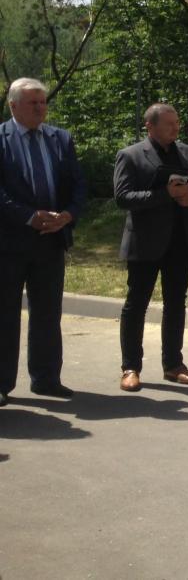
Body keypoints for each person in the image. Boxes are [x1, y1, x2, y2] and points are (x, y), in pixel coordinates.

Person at [0, 78, 87, 405]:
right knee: (5, 315)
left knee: (48, 314)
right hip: (8, 242)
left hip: (51, 240)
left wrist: (67, 215)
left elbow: (78, 185)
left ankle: (46, 378)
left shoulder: (60, 138)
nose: (40, 108)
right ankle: (2, 384)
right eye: (32, 103)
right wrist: (27, 216)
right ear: (13, 106)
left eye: (42, 102)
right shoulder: (1, 139)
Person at [114, 103, 188, 391]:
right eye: (169, 124)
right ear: (150, 126)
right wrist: (164, 194)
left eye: (177, 123)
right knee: (136, 304)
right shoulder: (131, 155)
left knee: (176, 304)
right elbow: (123, 197)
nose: (175, 128)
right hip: (144, 241)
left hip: (180, 241)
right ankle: (131, 367)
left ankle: (173, 364)